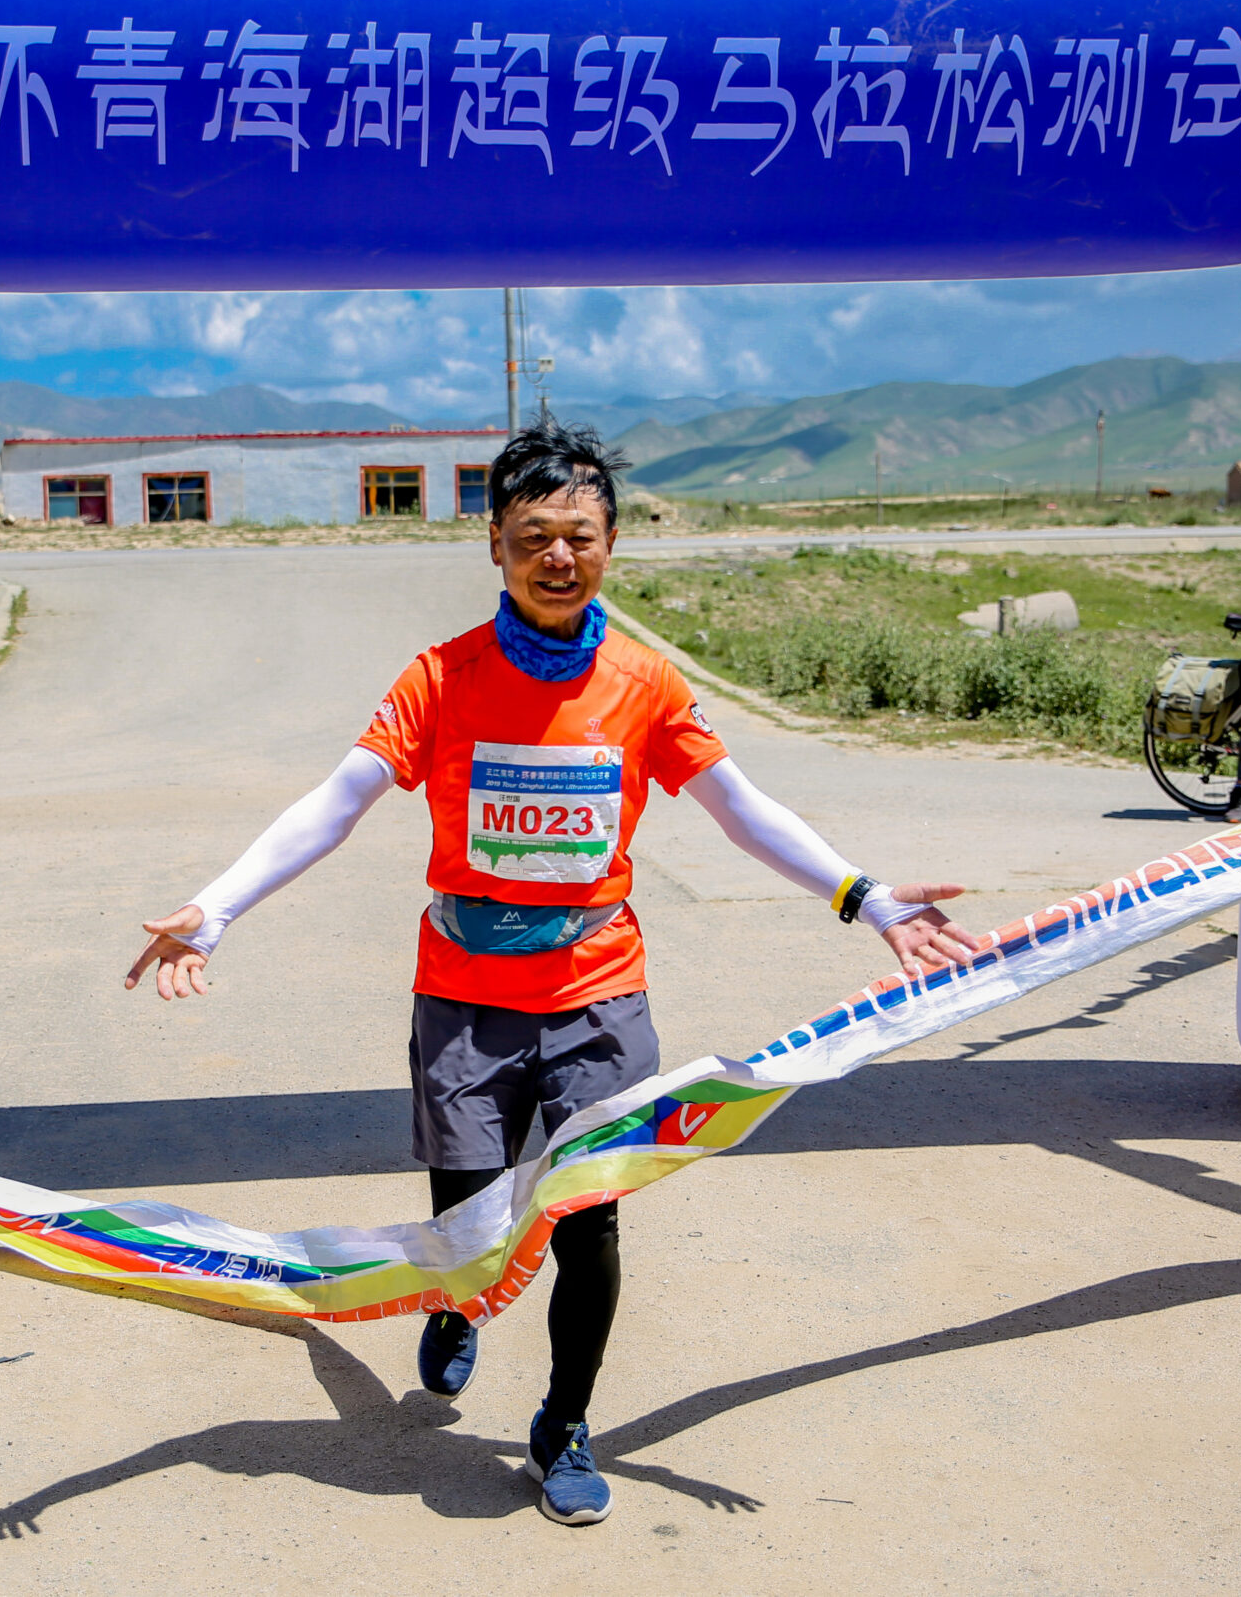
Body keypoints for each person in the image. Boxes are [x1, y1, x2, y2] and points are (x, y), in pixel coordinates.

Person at [125, 417, 987, 1528]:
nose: (558, 556)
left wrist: (863, 896)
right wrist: (217, 908)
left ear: (612, 543)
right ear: (495, 543)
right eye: (533, 535)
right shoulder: (440, 677)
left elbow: (739, 806)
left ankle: (563, 1423)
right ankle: (456, 1301)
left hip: (597, 999)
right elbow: (336, 801)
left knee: (590, 1225)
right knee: (471, 1230)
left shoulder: (644, 684)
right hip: (464, 1003)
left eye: (579, 535)